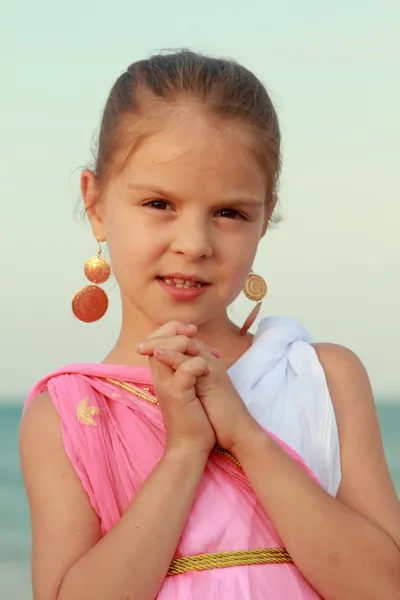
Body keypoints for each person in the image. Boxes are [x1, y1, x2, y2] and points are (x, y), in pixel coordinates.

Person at [20, 50, 400, 600]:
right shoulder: (69, 414)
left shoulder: (324, 379)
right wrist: (184, 452)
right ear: (96, 202)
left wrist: (246, 437)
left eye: (230, 213)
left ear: (265, 216)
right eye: (159, 203)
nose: (195, 244)